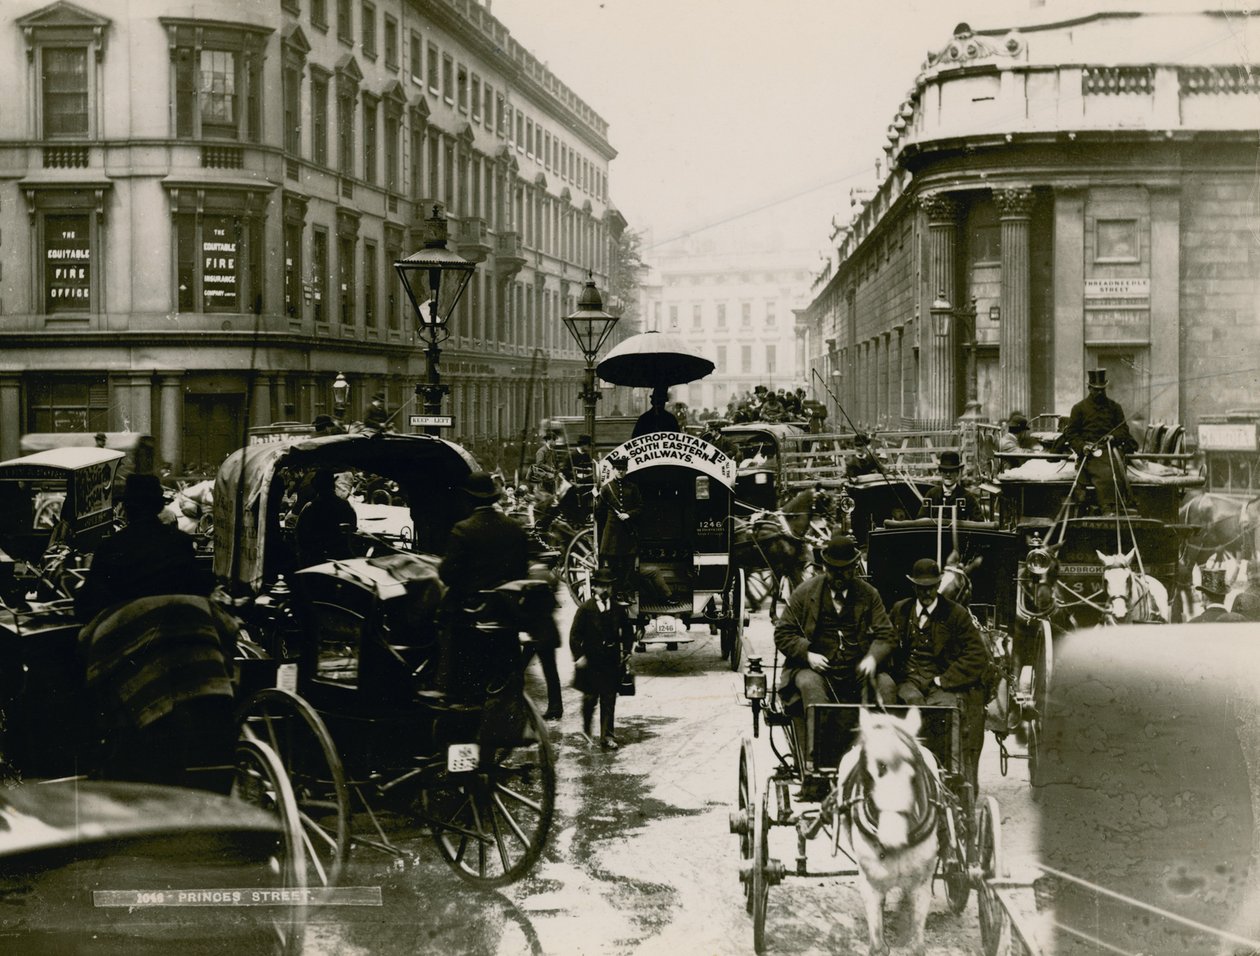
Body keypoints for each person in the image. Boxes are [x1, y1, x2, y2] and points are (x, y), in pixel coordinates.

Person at [773, 532, 896, 801]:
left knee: (887, 687)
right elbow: (783, 634)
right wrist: (808, 655)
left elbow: (887, 635)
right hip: (816, 670)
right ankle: (816, 774)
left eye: (846, 570)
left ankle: (885, 766)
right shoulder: (805, 593)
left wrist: (872, 658)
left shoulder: (869, 595)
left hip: (857, 671)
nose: (840, 576)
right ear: (825, 567)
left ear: (854, 567)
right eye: (834, 570)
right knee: (809, 687)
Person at [887, 557, 990, 792]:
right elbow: (886, 642)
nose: (927, 593)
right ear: (913, 587)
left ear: (938, 585)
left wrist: (944, 679)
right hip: (909, 682)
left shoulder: (957, 615)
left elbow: (976, 656)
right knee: (906, 708)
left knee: (946, 713)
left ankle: (950, 776)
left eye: (932, 587)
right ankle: (906, 772)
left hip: (941, 684)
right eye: (922, 588)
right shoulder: (900, 610)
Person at [438, 471, 534, 702]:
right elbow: (523, 571)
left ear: (469, 499)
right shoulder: (514, 528)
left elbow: (447, 575)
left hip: (471, 619)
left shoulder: (462, 530)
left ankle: (449, 691)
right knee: (506, 679)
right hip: (506, 617)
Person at [76, 474, 202, 623]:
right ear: (159, 506)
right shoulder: (182, 542)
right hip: (175, 629)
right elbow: (197, 591)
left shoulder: (110, 546)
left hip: (127, 633)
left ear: (127, 508)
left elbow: (88, 605)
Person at [569, 568, 634, 750]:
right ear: (595, 588)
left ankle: (607, 736)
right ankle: (587, 730)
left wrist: (627, 649)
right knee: (590, 698)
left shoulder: (618, 609)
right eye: (601, 586)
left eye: (608, 586)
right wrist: (579, 656)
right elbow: (574, 636)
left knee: (609, 698)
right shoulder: (585, 609)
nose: (605, 590)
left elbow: (627, 631)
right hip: (591, 661)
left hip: (611, 661)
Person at [1062, 369, 1137, 514]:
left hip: (1111, 450)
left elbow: (1123, 431)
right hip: (1089, 453)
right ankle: (1107, 509)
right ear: (1089, 388)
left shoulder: (1115, 407)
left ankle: (1116, 507)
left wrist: (1113, 437)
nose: (1099, 393)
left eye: (1102, 389)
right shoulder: (1079, 408)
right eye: (1096, 390)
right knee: (1104, 472)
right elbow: (1071, 434)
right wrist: (1083, 446)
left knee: (1114, 471)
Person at [595, 455, 642, 592]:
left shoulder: (632, 488)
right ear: (613, 470)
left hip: (627, 534)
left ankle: (625, 591)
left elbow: (640, 507)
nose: (620, 472)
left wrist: (628, 514)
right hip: (612, 536)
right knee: (613, 566)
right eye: (618, 469)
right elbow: (600, 513)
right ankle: (615, 592)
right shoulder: (606, 489)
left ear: (626, 470)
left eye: (623, 469)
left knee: (628, 565)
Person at [294, 469, 357, 566]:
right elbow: (352, 530)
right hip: (341, 560)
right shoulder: (344, 505)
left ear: (316, 487)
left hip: (316, 560)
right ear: (332, 485)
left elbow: (300, 535)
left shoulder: (310, 507)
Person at [918, 450, 985, 521]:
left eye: (951, 471)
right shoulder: (931, 494)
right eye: (945, 471)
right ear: (940, 472)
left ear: (957, 473)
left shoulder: (967, 497)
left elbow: (979, 521)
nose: (948, 474)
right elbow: (920, 519)